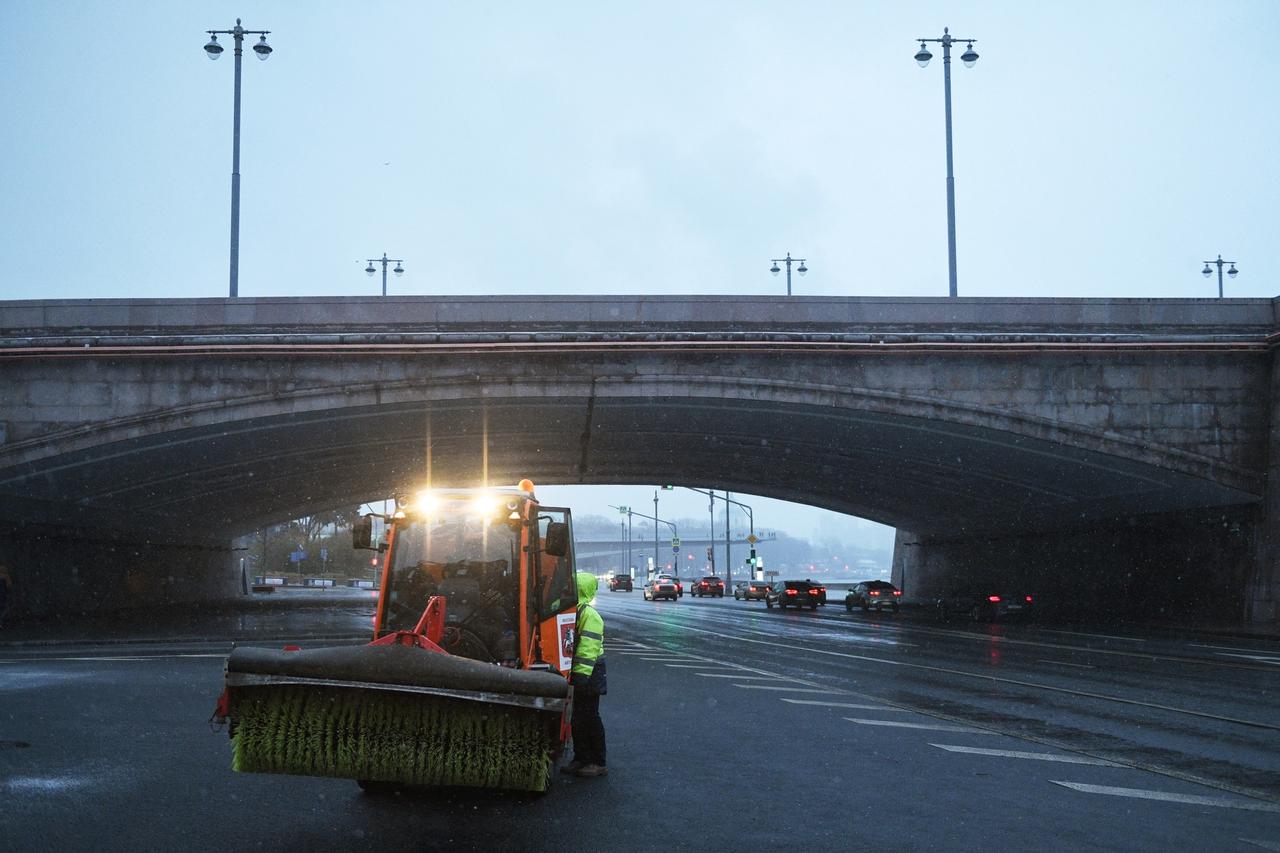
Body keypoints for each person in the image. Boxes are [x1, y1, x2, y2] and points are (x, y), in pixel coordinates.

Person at [562, 570, 607, 778]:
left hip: (589, 673)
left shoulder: (588, 615)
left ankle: (597, 762)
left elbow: (588, 648)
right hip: (581, 673)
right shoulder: (575, 610)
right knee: (577, 718)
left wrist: (580, 675)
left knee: (589, 717)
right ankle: (580, 758)